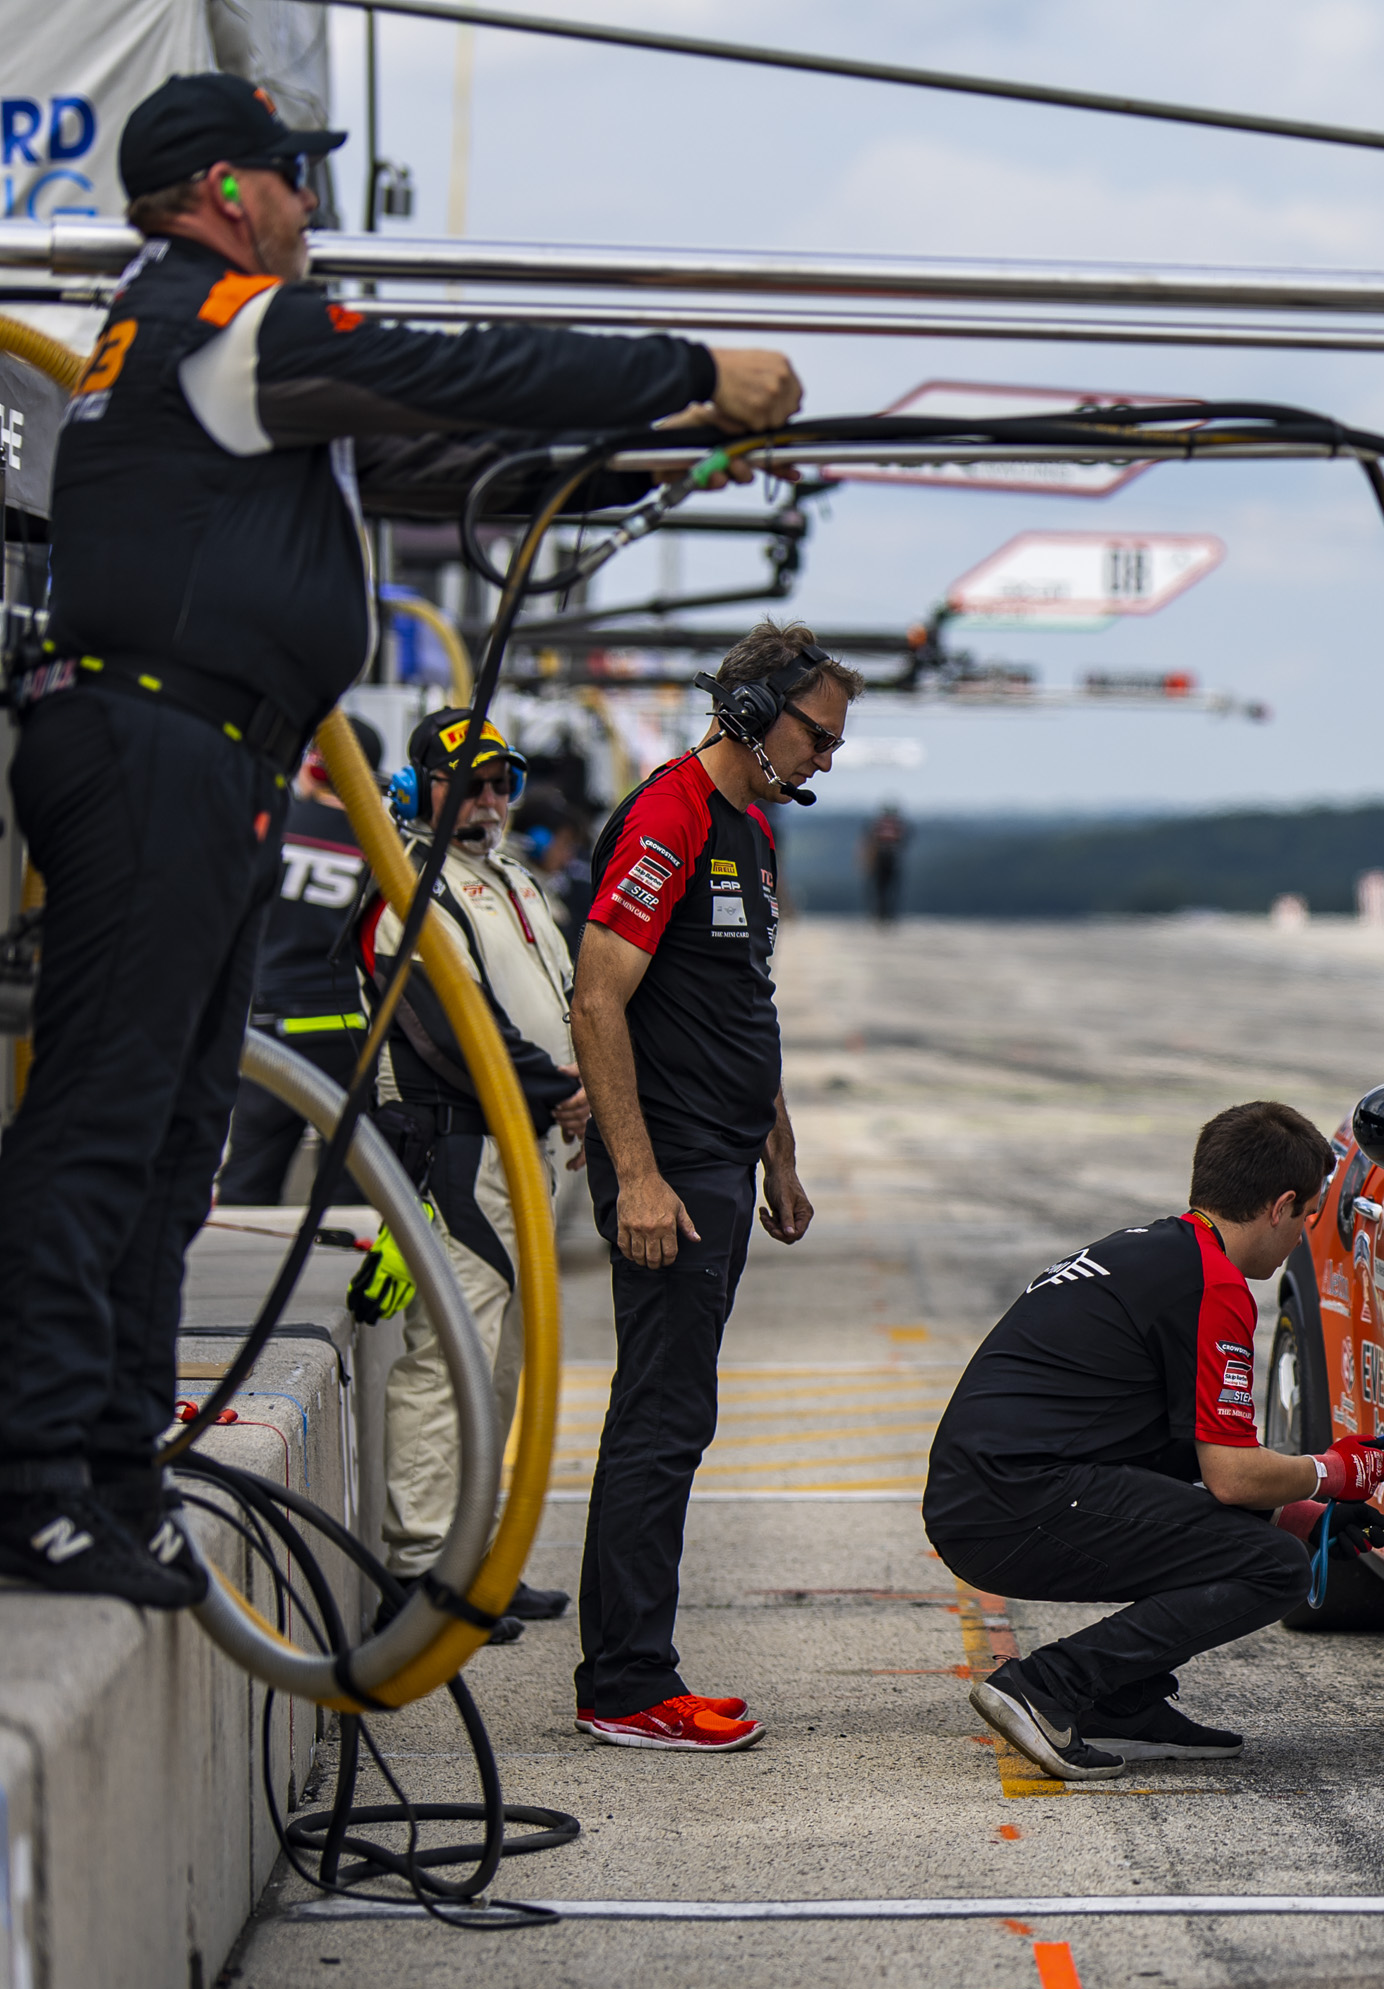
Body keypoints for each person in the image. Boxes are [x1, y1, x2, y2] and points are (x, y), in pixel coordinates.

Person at [0, 69, 800, 1607]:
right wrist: (692, 363)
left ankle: (108, 1472)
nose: (310, 203)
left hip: (202, 756)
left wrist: (670, 448)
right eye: (292, 177)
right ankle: (35, 1478)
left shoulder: (215, 355)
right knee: (110, 1121)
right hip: (157, 752)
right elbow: (456, 367)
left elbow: (447, 461)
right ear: (227, 193)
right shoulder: (223, 319)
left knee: (169, 1132)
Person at [567, 621, 847, 1751]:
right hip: (671, 1171)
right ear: (752, 713)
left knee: (675, 1413)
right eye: (817, 735)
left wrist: (780, 1152)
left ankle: (631, 1670)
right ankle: (628, 1685)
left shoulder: (750, 831)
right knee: (661, 1415)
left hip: (724, 1160)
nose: (826, 757)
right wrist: (637, 1175)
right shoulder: (669, 815)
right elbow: (597, 998)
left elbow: (744, 1004)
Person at [926, 1103, 1384, 1779]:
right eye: (1307, 1217)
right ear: (1280, 1207)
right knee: (1272, 1568)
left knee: (1259, 1539)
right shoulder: (1213, 1285)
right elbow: (1231, 1476)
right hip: (1013, 1500)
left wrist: (1299, 1512)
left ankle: (1120, 1702)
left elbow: (1174, 1453)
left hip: (991, 1492)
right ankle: (1046, 1687)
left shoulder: (1151, 1252)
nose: (1302, 1236)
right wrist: (1333, 1472)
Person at [364, 709, 587, 1630]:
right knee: (447, 1356)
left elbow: (562, 999)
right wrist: (561, 1089)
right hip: (455, 1145)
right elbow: (453, 1028)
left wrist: (580, 1093)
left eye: (501, 783)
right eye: (467, 784)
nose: (488, 799)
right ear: (418, 790)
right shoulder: (405, 888)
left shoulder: (511, 879)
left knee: (501, 1364)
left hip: (523, 1145)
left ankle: (480, 1559)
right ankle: (422, 1572)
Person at [217, 714, 384, 1205]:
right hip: (353, 1032)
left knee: (247, 1181)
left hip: (272, 1030)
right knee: (352, 1188)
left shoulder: (273, 823)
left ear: (312, 767)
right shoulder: (385, 846)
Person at [859, 802, 910, 926]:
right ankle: (885, 915)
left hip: (882, 859)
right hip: (890, 858)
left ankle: (882, 915)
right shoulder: (896, 825)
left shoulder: (878, 825)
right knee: (888, 889)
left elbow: (870, 840)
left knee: (881, 889)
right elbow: (904, 840)